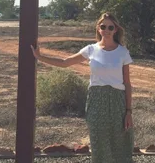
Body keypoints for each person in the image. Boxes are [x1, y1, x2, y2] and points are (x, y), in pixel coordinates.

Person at [31, 12, 134, 163]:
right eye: (103, 26)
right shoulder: (91, 50)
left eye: (110, 27)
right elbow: (65, 62)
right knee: (99, 140)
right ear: (98, 28)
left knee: (120, 140)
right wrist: (40, 57)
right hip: (96, 99)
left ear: (115, 30)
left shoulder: (122, 52)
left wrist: (129, 111)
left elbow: (127, 83)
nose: (106, 30)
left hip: (117, 100)